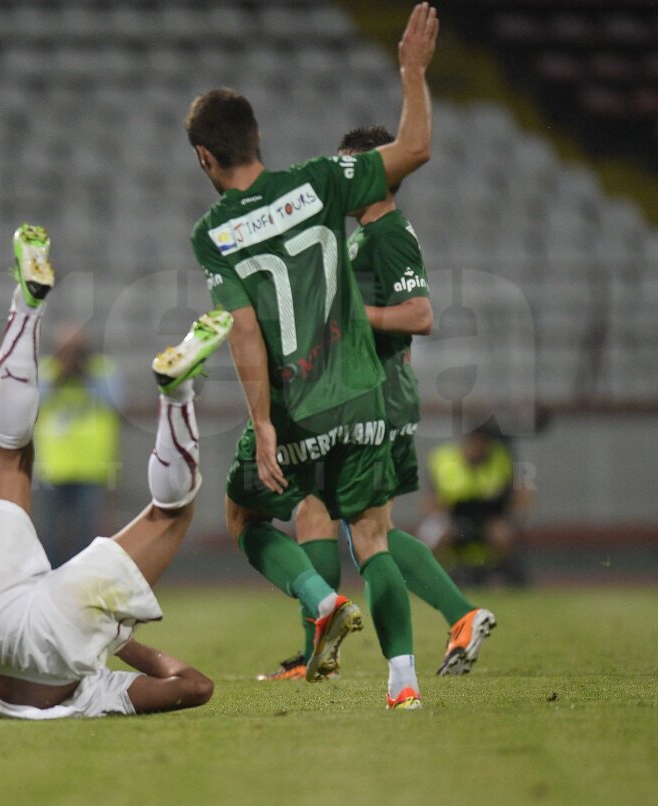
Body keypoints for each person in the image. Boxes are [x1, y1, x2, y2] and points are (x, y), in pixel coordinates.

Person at [0, 224, 229, 719]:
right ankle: (26, 304)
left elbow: (195, 686)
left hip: (68, 635)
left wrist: (118, 642)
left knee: (171, 513)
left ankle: (177, 394)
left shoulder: (97, 697)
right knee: (10, 452)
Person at [186, 3, 439, 709]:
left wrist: (263, 423)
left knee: (244, 515)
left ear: (206, 157)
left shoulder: (214, 233)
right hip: (360, 394)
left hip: (295, 404)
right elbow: (414, 148)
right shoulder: (322, 179)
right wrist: (412, 72)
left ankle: (319, 598)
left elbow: (242, 332)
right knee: (375, 538)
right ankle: (403, 683)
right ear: (258, 137)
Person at [257, 126, 495, 684]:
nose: (344, 182)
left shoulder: (388, 235)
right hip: (360, 390)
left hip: (376, 395)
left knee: (350, 524)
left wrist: (350, 319)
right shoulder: (361, 234)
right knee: (328, 515)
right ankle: (444, 619)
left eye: (352, 171)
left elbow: (420, 315)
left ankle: (356, 649)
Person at [34, 326, 123, 564]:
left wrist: (85, 376)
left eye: (76, 351)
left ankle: (85, 583)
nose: (70, 358)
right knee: (50, 536)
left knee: (89, 537)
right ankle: (50, 582)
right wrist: (59, 378)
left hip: (91, 468)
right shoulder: (45, 372)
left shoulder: (103, 371)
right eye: (64, 351)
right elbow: (32, 403)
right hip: (53, 468)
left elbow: (115, 402)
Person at [422, 422, 529, 586]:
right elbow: (429, 501)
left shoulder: (502, 459)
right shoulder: (442, 459)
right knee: (437, 537)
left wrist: (509, 516)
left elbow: (520, 494)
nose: (481, 446)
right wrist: (453, 518)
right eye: (477, 441)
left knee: (502, 535)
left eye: (485, 442)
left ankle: (503, 579)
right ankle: (431, 581)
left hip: (487, 518)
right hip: (451, 517)